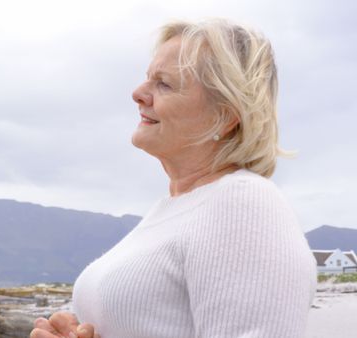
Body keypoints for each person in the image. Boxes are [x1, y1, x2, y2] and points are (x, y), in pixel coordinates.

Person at [31, 18, 317, 338]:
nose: (138, 93)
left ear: (225, 115)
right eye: (147, 79)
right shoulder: (176, 209)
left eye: (163, 83)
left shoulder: (242, 203)